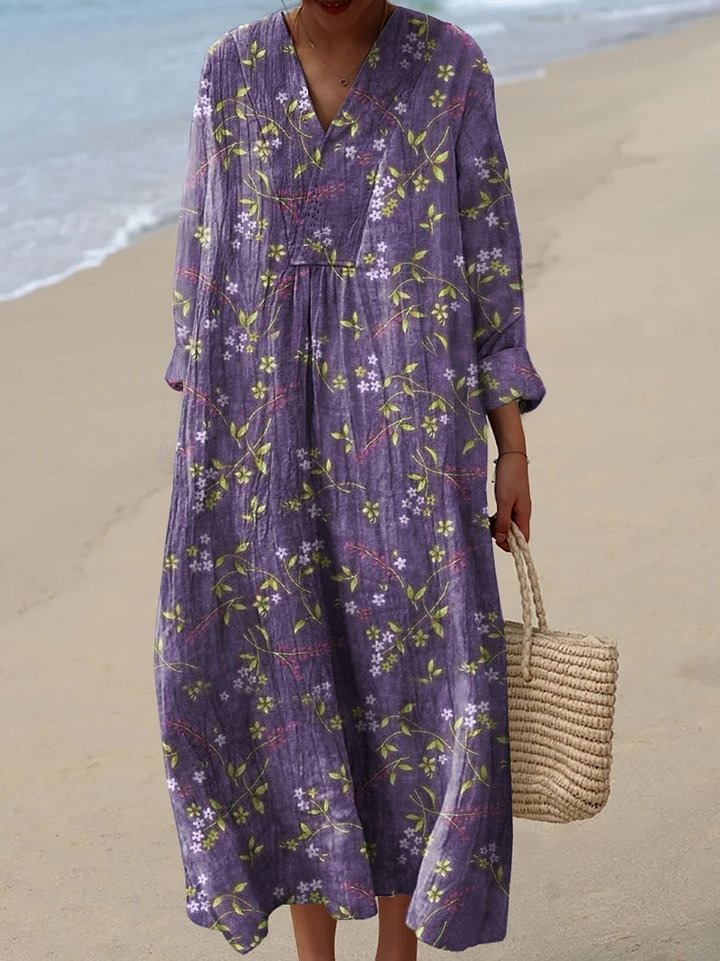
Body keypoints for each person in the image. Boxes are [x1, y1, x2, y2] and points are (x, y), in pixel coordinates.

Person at [154, 2, 546, 960]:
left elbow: (489, 261)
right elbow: (202, 260)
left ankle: (398, 954)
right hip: (258, 430)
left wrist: (513, 448)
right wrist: (207, 449)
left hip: (409, 435)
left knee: (412, 681)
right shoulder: (231, 71)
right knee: (280, 675)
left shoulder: (449, 67)